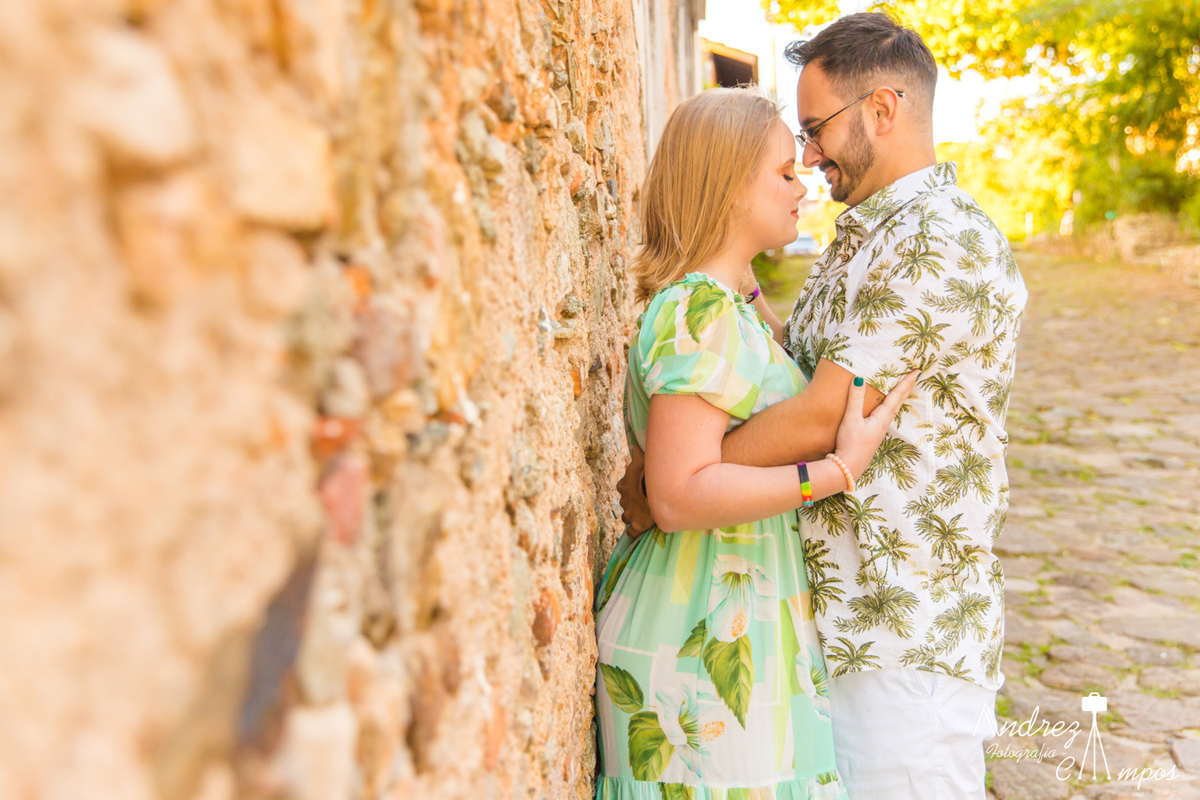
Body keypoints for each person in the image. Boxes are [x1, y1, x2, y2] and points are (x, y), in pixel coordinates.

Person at [617, 13, 1028, 800]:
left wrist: (671, 484)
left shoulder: (936, 240)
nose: (808, 156)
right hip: (824, 626)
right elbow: (779, 373)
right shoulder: (868, 236)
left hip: (900, 635)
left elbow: (817, 415)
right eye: (794, 145)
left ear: (883, 109)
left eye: (815, 130)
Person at [593, 86, 919, 800]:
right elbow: (677, 495)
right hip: (695, 637)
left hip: (733, 619)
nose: (801, 182)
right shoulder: (697, 309)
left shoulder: (721, 304)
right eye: (781, 171)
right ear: (727, 183)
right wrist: (834, 472)